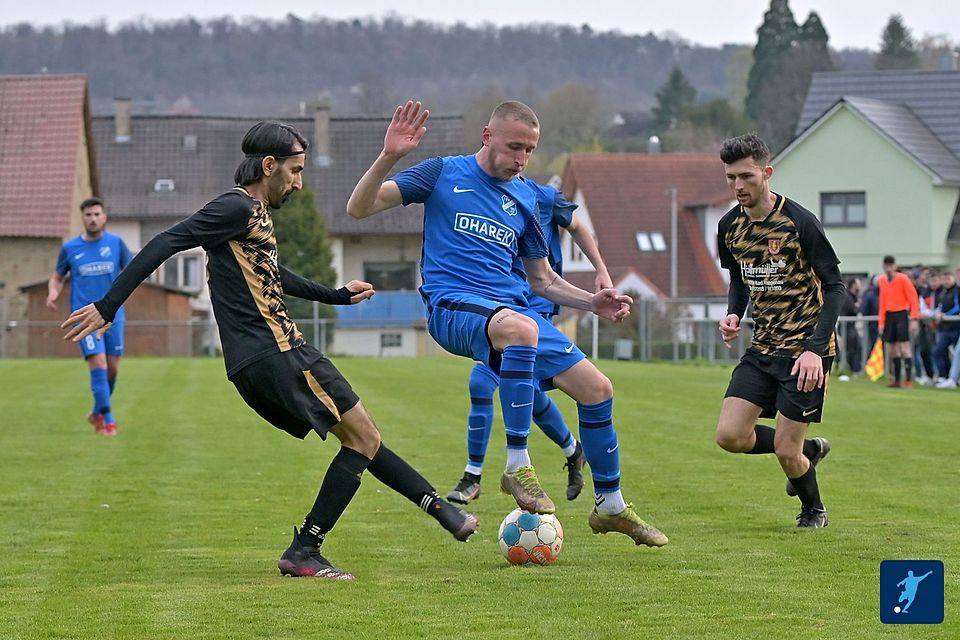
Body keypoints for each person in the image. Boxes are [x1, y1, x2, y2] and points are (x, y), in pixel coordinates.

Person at [62, 121, 478, 580]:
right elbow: (166, 241)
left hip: (271, 356)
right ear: (269, 165)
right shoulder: (236, 207)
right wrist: (107, 305)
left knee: (363, 437)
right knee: (363, 438)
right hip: (276, 352)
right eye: (296, 171)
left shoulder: (253, 215)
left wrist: (338, 294)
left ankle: (445, 514)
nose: (299, 182)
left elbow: (275, 274)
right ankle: (306, 550)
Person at [347, 100, 668, 547]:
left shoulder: (525, 198)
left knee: (597, 389)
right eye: (514, 146)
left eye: (529, 150)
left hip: (512, 311)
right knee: (523, 330)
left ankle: (610, 506)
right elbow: (359, 209)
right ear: (487, 136)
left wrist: (591, 302)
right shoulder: (443, 173)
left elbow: (542, 279)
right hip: (453, 307)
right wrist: (390, 156)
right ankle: (518, 467)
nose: (521, 159)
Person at [446, 180, 612, 505]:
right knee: (527, 396)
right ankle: (572, 450)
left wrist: (601, 270)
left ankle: (473, 476)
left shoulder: (544, 196)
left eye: (524, 149)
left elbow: (578, 227)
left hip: (534, 307)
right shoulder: (484, 194)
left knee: (483, 382)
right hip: (501, 304)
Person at [714, 133, 845, 529]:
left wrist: (814, 351)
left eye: (747, 176)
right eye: (730, 177)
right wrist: (734, 313)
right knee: (730, 436)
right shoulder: (729, 227)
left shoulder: (798, 222)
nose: (738, 186)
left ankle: (813, 511)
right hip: (763, 347)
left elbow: (836, 287)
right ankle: (809, 450)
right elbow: (739, 276)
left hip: (806, 350)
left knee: (787, 453)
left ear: (767, 173)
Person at [47, 198, 133, 436]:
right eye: (88, 215)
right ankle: (107, 419)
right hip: (83, 317)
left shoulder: (116, 244)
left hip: (113, 316)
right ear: (82, 218)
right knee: (99, 363)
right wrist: (53, 292)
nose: (93, 219)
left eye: (96, 214)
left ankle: (96, 411)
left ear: (104, 217)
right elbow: (57, 277)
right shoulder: (70, 248)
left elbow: (133, 270)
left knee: (113, 370)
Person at [878, 255, 919, 388]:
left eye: (891, 265)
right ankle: (896, 379)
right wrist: (881, 322)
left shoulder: (902, 279)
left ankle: (908, 379)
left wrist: (914, 318)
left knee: (904, 347)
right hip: (889, 315)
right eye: (887, 265)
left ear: (894, 266)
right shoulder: (882, 280)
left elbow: (913, 297)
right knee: (892, 348)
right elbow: (882, 302)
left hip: (901, 314)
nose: (889, 268)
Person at [932, 268, 960, 388]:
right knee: (938, 352)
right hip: (946, 328)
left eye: (948, 278)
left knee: (957, 353)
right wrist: (937, 314)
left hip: (956, 327)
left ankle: (953, 378)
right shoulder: (944, 293)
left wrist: (946, 315)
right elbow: (940, 307)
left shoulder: (956, 291)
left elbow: (957, 307)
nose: (946, 281)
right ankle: (945, 377)